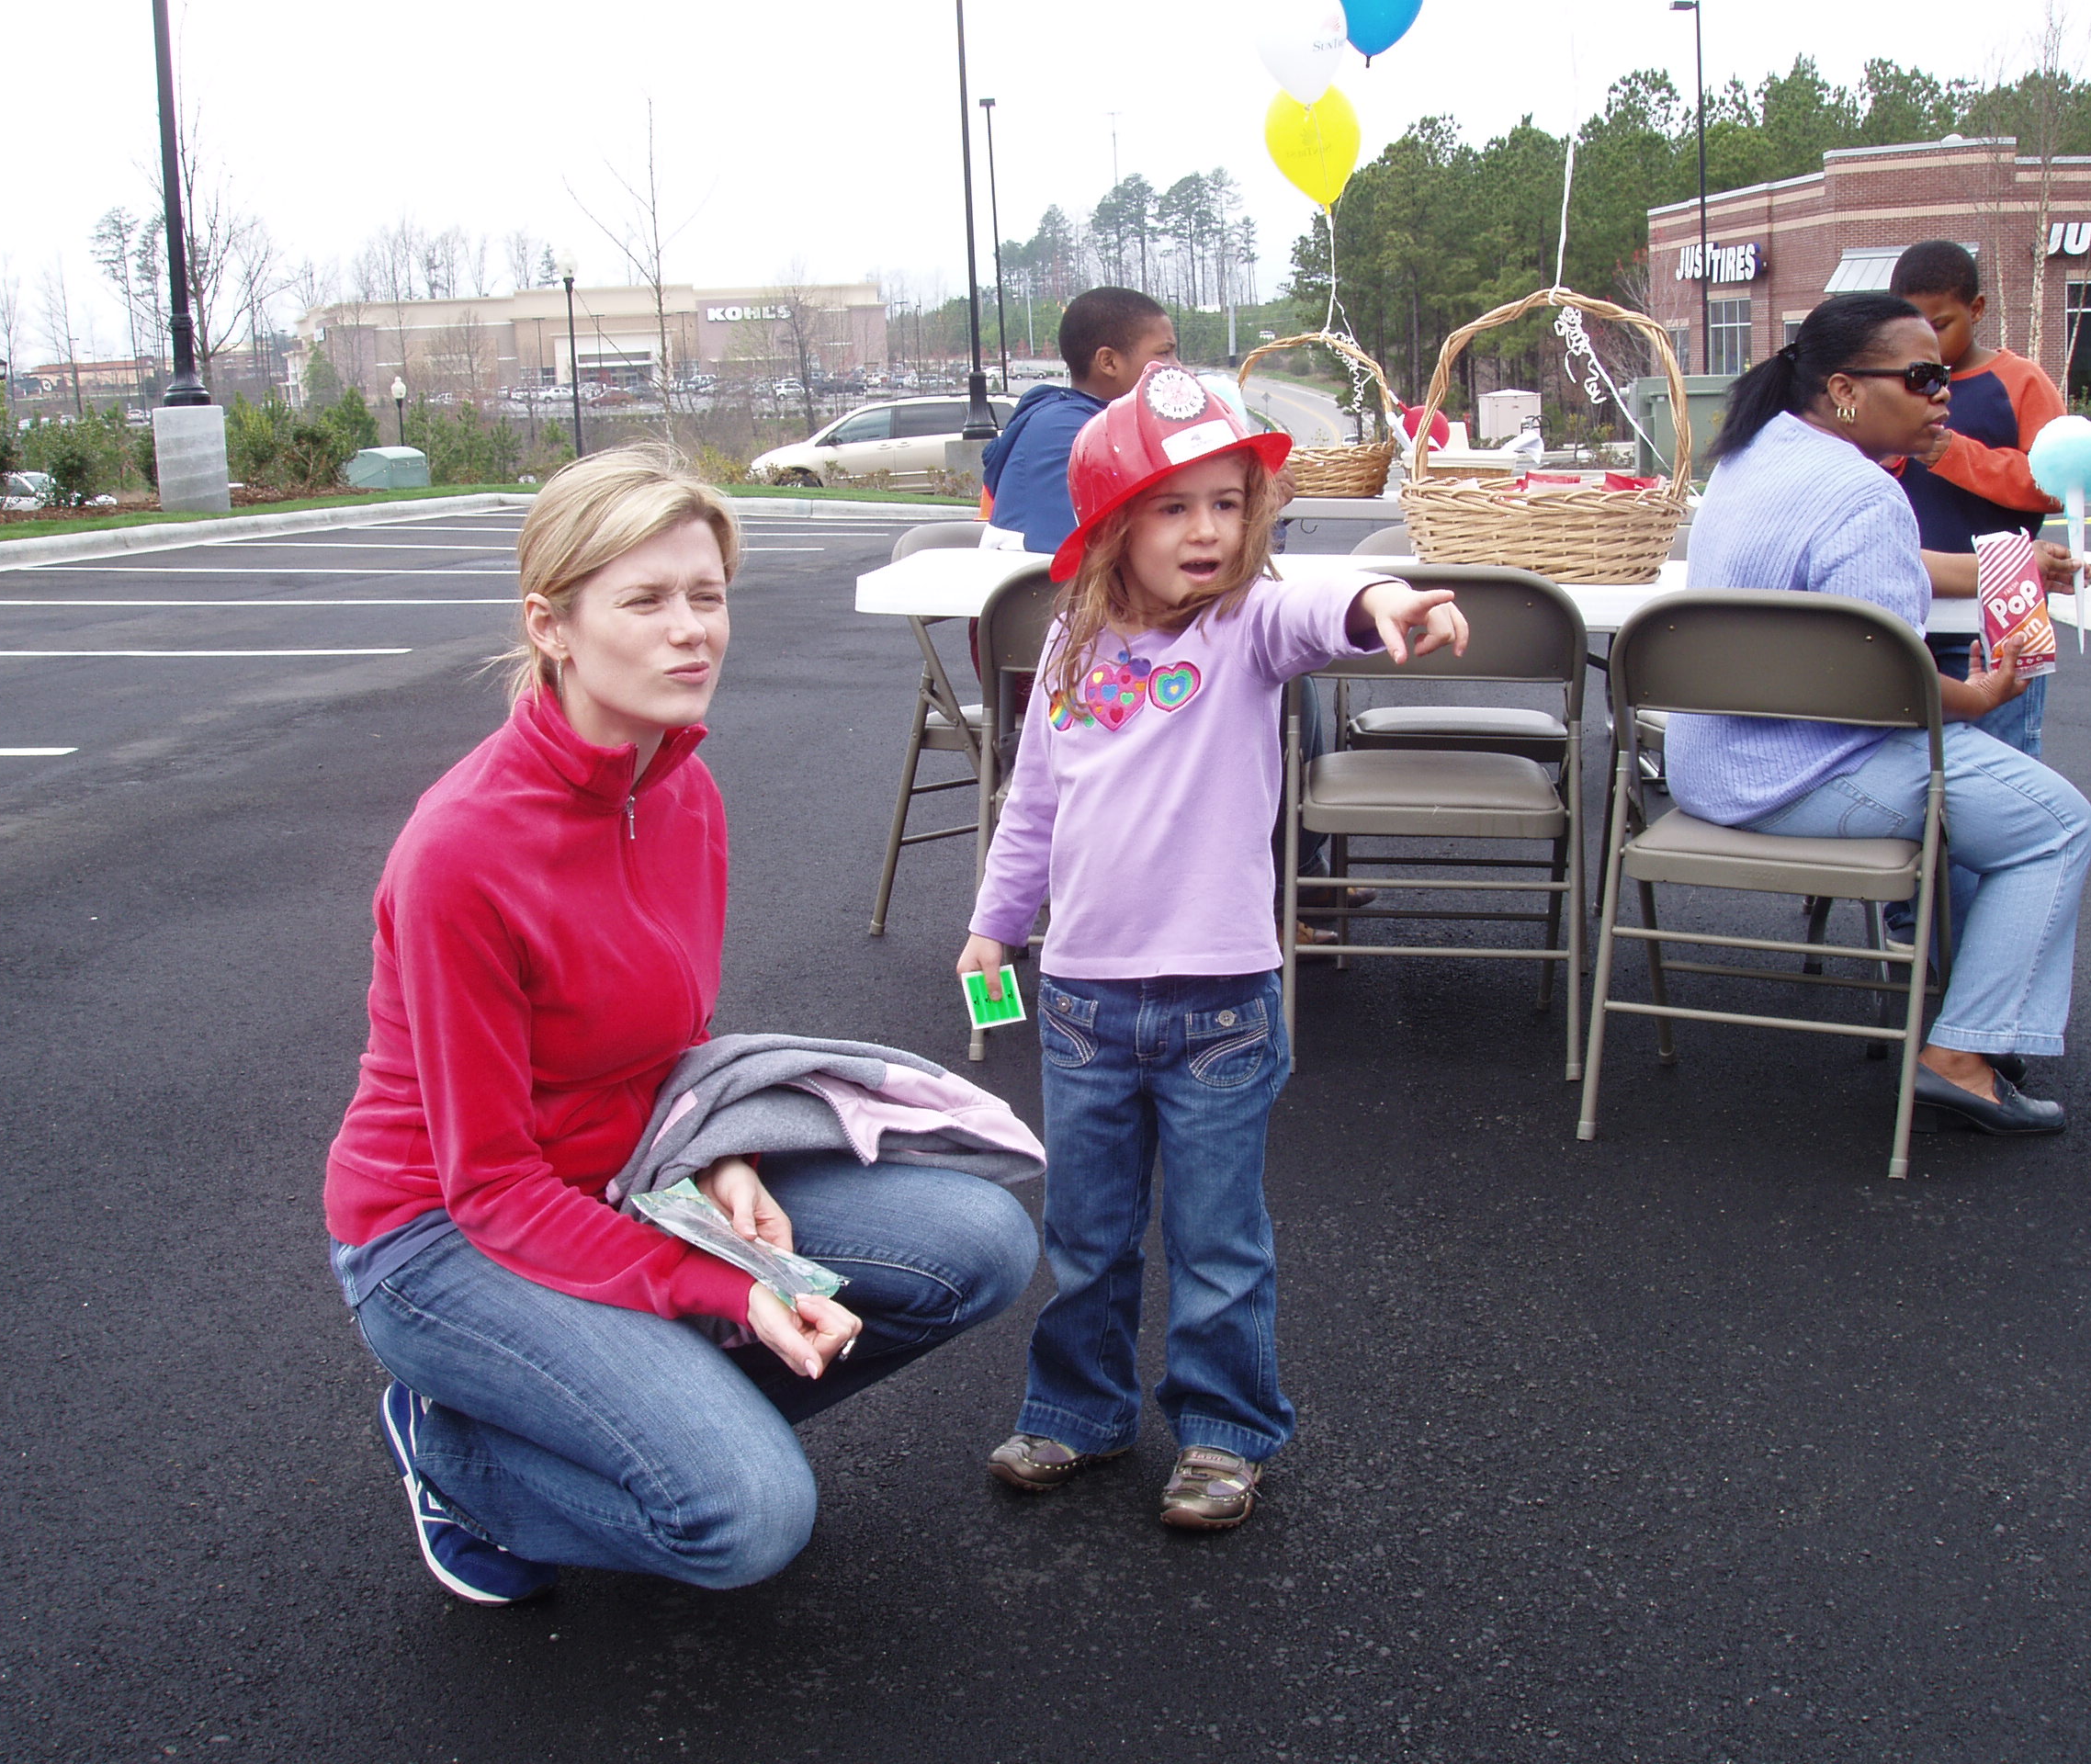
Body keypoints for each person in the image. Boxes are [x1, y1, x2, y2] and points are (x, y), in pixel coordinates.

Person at [324, 447, 1037, 1605]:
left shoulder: (679, 790)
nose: (690, 631)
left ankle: (644, 1420)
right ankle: (457, 1456)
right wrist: (721, 1283)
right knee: (747, 1521)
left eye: (706, 596)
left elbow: (666, 1055)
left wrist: (722, 1158)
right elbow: (490, 1187)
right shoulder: (460, 855)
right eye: (644, 601)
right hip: (442, 1236)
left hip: (625, 1177)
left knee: (981, 1244)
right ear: (551, 625)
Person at [955, 363, 1469, 1528]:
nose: (1206, 532)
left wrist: (1383, 600)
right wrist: (993, 925)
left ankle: (1223, 1431)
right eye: (1173, 507)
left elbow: (1317, 605)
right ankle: (1077, 1411)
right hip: (1082, 1001)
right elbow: (1032, 805)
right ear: (1112, 525)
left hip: (1219, 1004)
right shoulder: (1073, 647)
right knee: (1084, 1235)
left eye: (1229, 504)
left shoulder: (1244, 630)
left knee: (1217, 1242)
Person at [1663, 291, 2091, 1136]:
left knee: (2014, 813)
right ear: (1846, 390)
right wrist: (1981, 696)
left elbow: (1875, 565)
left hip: (1712, 763)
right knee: (2055, 824)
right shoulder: (1864, 493)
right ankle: (1962, 1055)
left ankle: (1976, 1021)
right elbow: (1890, 687)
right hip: (1802, 772)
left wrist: (2009, 566)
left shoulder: (1755, 454)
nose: (1944, 393)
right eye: (1923, 376)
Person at [1889, 239, 2071, 759]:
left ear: (1977, 309)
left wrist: (1953, 454)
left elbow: (2055, 487)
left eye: (1940, 324)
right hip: (1911, 610)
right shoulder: (1892, 385)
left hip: (2005, 612)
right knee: (1916, 765)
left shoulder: (2021, 381)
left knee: (2001, 761)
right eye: (1911, 325)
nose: (1925, 340)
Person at [978, 288, 1178, 551]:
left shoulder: (1071, 418)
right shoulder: (1073, 431)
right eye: (1164, 353)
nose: (1177, 367)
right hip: (1049, 576)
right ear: (1108, 362)